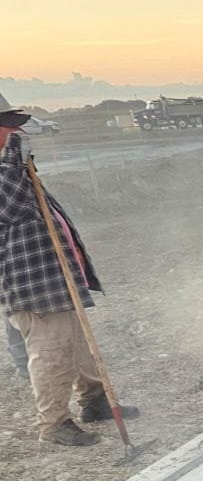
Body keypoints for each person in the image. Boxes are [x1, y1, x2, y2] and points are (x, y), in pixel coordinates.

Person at [0, 94, 123, 446]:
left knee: (77, 343)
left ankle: (95, 400)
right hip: (30, 285)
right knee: (51, 350)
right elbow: (10, 207)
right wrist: (14, 158)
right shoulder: (8, 167)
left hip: (52, 275)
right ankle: (54, 423)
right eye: (8, 125)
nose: (15, 131)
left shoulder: (12, 165)